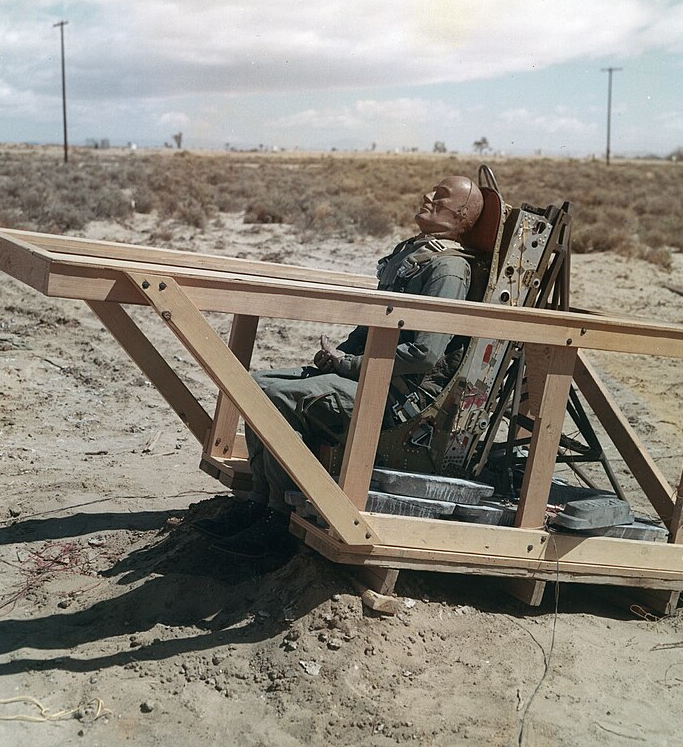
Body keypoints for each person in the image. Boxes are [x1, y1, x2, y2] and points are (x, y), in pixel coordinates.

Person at [197, 176, 485, 556]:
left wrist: (347, 364)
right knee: (252, 386)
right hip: (374, 375)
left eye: (442, 195)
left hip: (400, 396)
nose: (428, 196)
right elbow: (373, 328)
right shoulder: (416, 254)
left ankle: (277, 522)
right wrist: (337, 356)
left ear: (462, 214)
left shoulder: (448, 270)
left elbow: (424, 356)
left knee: (278, 399)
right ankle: (260, 503)